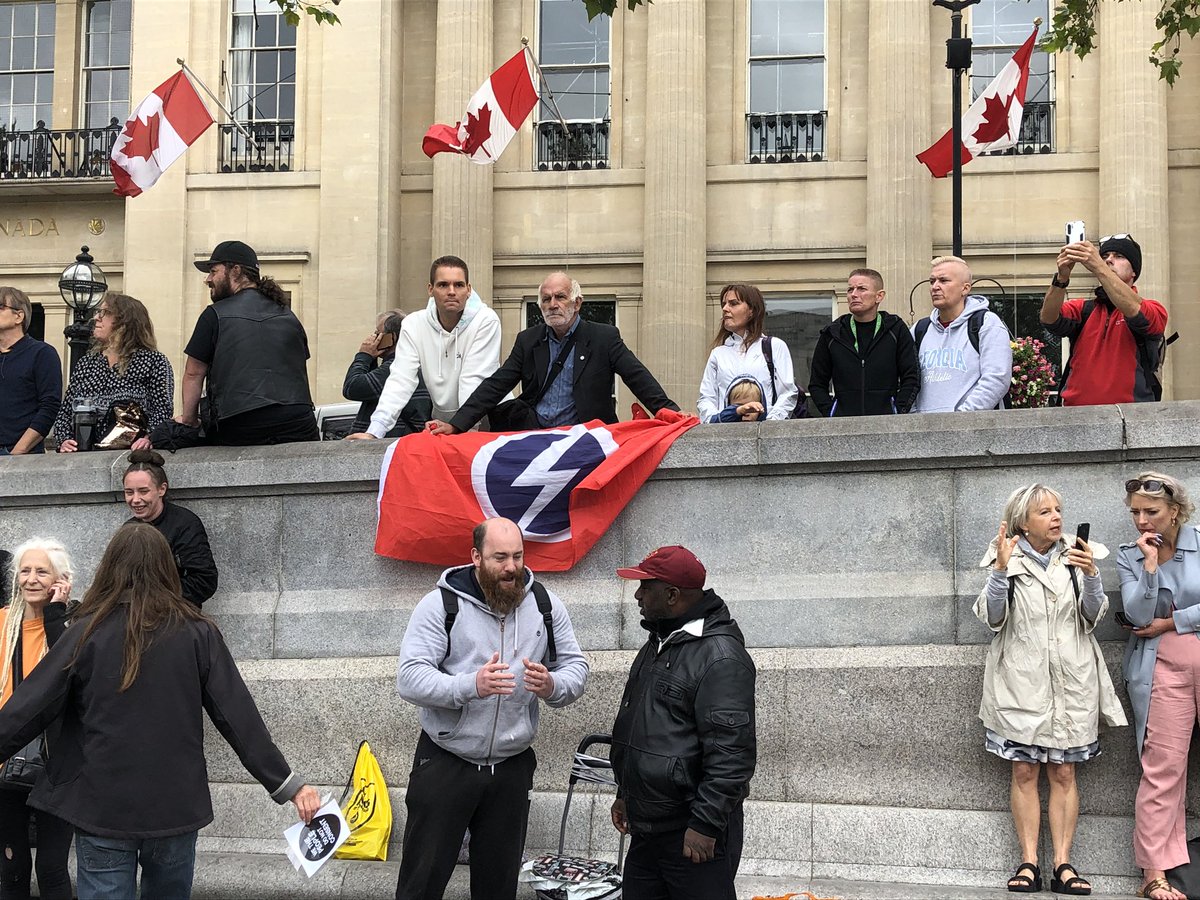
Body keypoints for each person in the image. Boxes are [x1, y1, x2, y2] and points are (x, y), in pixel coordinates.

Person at [0, 523, 319, 900]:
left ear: (109, 567)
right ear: (167, 567)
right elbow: (239, 719)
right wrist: (289, 784)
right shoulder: (197, 632)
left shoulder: (85, 631)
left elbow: (27, 708)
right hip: (175, 807)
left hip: (103, 806)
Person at [394, 517, 588, 900]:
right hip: (447, 762)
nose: (512, 567)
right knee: (422, 883)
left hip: (511, 769)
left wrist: (552, 685)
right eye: (500, 557)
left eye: (517, 556)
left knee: (499, 887)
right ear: (476, 557)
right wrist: (470, 686)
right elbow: (410, 678)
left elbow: (576, 668)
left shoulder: (545, 605)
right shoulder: (440, 605)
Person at [974, 485, 1125, 896]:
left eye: (1058, 509)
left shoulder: (1078, 554)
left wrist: (1092, 575)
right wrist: (1000, 572)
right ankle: (1028, 862)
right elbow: (992, 618)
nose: (1056, 517)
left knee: (1064, 770)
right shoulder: (1004, 556)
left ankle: (1063, 864)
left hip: (1071, 679)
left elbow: (1092, 617)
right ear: (1023, 522)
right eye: (1045, 512)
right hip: (1021, 682)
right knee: (1024, 769)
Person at [610, 546, 756, 900]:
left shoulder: (720, 656)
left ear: (673, 595)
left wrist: (705, 824)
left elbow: (731, 755)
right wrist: (625, 794)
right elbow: (644, 730)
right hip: (647, 830)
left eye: (646, 586)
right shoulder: (658, 642)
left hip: (692, 835)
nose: (638, 594)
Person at [427, 271, 679, 434]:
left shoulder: (604, 337)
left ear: (577, 303)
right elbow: (496, 385)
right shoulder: (528, 340)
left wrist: (670, 412)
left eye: (560, 297)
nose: (553, 305)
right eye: (546, 299)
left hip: (586, 437)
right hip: (537, 437)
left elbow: (637, 377)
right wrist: (456, 424)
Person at [1117, 473, 1200, 900]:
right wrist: (1149, 569)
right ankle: (1154, 872)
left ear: (1175, 511)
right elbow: (1136, 614)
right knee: (1162, 770)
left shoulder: (1199, 542)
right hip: (1161, 672)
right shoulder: (1129, 556)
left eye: (1151, 512)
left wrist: (1176, 621)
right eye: (1135, 512)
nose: (1142, 520)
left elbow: (1158, 622)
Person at [178, 240, 318, 445]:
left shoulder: (214, 315)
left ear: (235, 270)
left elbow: (193, 373)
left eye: (213, 271)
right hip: (297, 419)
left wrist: (189, 421)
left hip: (241, 421)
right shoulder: (288, 314)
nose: (208, 279)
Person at [345, 257, 501, 440]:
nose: (452, 291)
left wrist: (463, 428)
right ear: (430, 289)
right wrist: (374, 432)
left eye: (458, 285)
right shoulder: (413, 324)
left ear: (469, 289)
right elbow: (400, 380)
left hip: (488, 421)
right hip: (446, 426)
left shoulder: (486, 320)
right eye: (443, 285)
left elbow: (474, 378)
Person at [0, 539, 75, 900]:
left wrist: (56, 615)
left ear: (60, 580)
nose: (31, 579)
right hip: (3, 763)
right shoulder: (2, 623)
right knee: (11, 868)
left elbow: (72, 676)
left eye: (42, 571)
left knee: (52, 868)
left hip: (57, 766)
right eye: (25, 571)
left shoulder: (72, 626)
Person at [1040, 233, 1170, 405]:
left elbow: (1136, 312)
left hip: (1130, 418)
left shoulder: (1155, 309)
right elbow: (1048, 318)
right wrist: (1062, 277)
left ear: (1134, 272)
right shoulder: (1083, 309)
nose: (1109, 260)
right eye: (1105, 256)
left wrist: (1098, 266)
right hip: (1076, 417)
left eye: (1119, 256)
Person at [53, 293, 173, 452]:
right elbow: (66, 411)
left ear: (125, 321)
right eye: (98, 312)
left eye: (105, 313)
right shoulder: (86, 363)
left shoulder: (153, 361)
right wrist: (64, 439)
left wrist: (149, 437)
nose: (96, 318)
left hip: (130, 453)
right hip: (84, 453)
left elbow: (163, 409)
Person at [808, 268, 921, 416]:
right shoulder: (832, 334)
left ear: (879, 296)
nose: (854, 294)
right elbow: (817, 384)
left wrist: (897, 412)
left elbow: (912, 377)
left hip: (886, 425)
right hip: (843, 426)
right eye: (850, 289)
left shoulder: (896, 329)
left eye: (862, 289)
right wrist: (832, 414)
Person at [910, 256, 1012, 413]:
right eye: (932, 281)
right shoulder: (920, 329)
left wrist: (960, 419)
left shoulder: (986, 323)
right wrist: (914, 418)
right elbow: (906, 380)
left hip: (973, 430)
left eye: (943, 281)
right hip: (923, 430)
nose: (935, 287)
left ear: (965, 288)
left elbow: (997, 378)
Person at [122, 449, 218, 607]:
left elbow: (204, 581)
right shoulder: (128, 529)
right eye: (129, 492)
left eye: (144, 491)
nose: (135, 500)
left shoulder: (185, 524)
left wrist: (157, 600)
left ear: (162, 489)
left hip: (176, 616)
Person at [697, 283, 799, 422]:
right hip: (725, 434)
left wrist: (769, 425)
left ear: (752, 310)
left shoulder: (774, 346)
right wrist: (715, 422)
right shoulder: (718, 354)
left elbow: (788, 393)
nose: (725, 309)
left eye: (733, 303)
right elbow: (707, 398)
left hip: (765, 433)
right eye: (724, 304)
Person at [342, 310, 432, 437]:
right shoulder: (420, 364)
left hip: (388, 442)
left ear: (392, 338)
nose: (373, 338)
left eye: (378, 333)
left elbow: (352, 388)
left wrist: (364, 355)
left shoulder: (394, 367)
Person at [0, 287, 61, 456]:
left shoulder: (41, 353)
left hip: (19, 453)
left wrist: (18, 452)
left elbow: (50, 405)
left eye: (0, 306)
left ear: (19, 316)